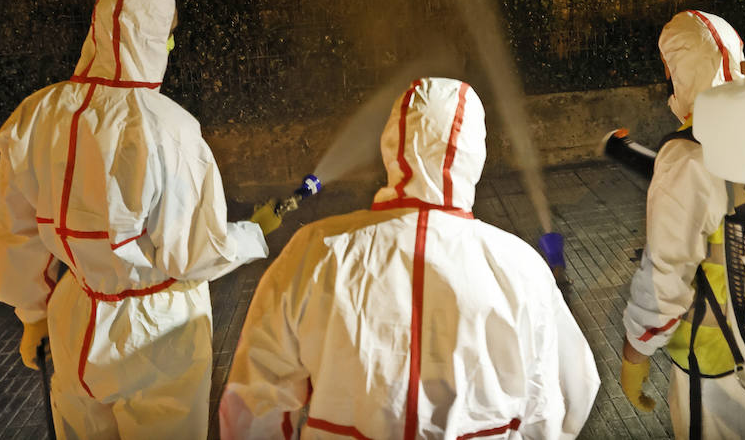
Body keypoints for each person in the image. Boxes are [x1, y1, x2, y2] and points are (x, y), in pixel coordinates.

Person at [218, 77, 600, 439]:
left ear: (390, 144)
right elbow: (568, 394)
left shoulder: (315, 249)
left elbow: (254, 397)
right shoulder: (519, 266)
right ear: (475, 153)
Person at [0, 0, 269, 440]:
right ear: (158, 39)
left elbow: (12, 232)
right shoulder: (170, 129)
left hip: (75, 320)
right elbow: (193, 254)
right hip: (158, 335)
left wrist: (33, 315)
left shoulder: (37, 115)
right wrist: (249, 235)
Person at [619, 10, 745, 439]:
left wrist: (633, 355)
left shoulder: (689, 155)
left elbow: (665, 279)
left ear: (679, 71)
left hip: (716, 370)